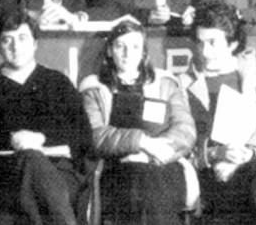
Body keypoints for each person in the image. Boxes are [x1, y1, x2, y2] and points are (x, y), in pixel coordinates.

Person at [0, 10, 93, 225]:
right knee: (29, 163)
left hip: (57, 171)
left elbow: (83, 138)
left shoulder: (58, 83)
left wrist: (40, 140)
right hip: (7, 173)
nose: (15, 47)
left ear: (35, 43)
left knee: (34, 165)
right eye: (6, 40)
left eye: (22, 38)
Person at [180, 3, 256, 224]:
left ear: (232, 44)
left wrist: (249, 153)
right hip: (210, 170)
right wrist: (216, 155)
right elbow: (183, 138)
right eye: (200, 43)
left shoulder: (255, 70)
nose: (205, 52)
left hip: (254, 162)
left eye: (212, 43)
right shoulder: (183, 83)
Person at [79, 20, 196, 225]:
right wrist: (140, 143)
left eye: (134, 46)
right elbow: (95, 134)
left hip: (163, 161)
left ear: (143, 52)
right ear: (109, 51)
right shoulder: (95, 88)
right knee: (138, 182)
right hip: (116, 167)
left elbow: (185, 129)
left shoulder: (165, 83)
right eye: (120, 46)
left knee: (153, 185)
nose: (127, 53)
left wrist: (152, 153)